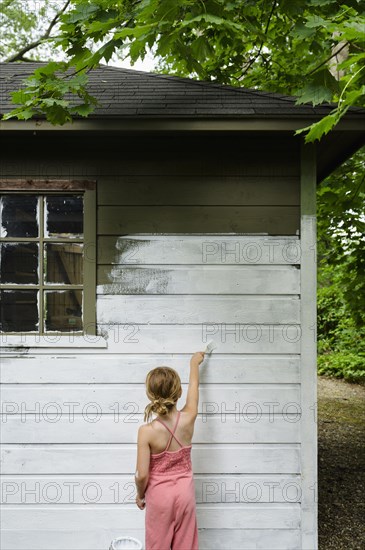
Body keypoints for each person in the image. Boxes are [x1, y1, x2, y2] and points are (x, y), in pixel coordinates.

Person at [134, 351, 205, 550]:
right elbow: (195, 389)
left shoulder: (146, 432)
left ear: (150, 395)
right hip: (185, 495)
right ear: (179, 392)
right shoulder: (188, 418)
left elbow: (141, 475)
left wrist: (140, 495)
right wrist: (194, 364)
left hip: (159, 499)